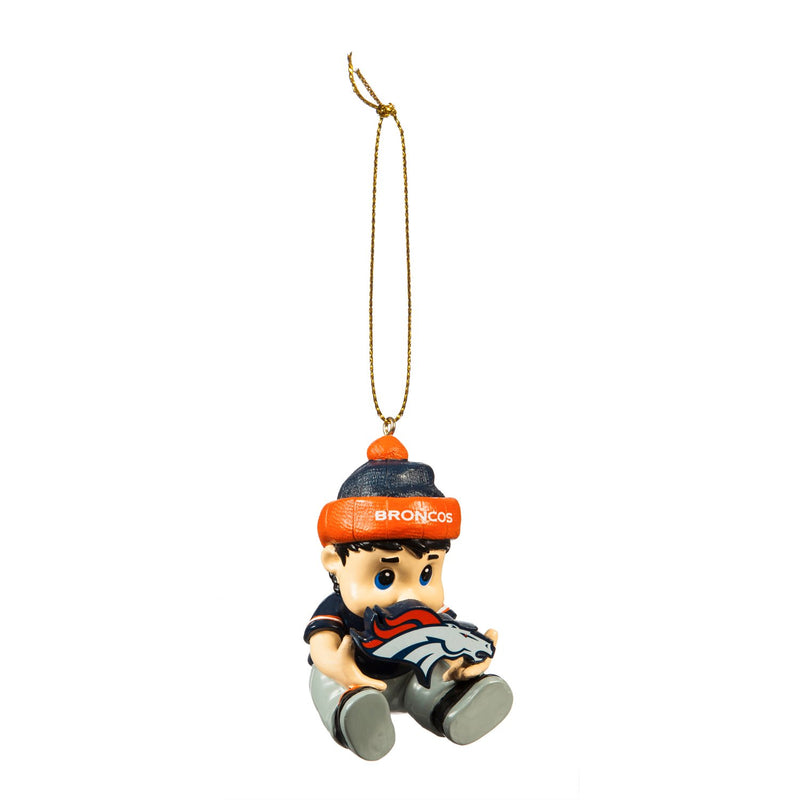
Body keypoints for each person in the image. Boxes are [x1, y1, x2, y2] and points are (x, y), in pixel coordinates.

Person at [305, 435, 513, 760]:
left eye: (426, 574)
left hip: (411, 676)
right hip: (353, 677)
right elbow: (321, 648)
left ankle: (452, 705)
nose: (411, 594)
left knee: (435, 679)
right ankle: (355, 716)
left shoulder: (426, 615)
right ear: (335, 563)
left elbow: (450, 639)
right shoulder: (338, 608)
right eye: (384, 577)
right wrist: (337, 666)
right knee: (326, 682)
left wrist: (465, 660)